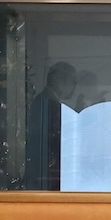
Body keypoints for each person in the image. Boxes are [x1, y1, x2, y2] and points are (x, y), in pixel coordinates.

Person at [24, 60, 76, 189]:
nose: (74, 87)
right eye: (72, 81)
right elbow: (58, 137)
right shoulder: (48, 104)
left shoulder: (45, 101)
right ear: (58, 82)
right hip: (44, 174)